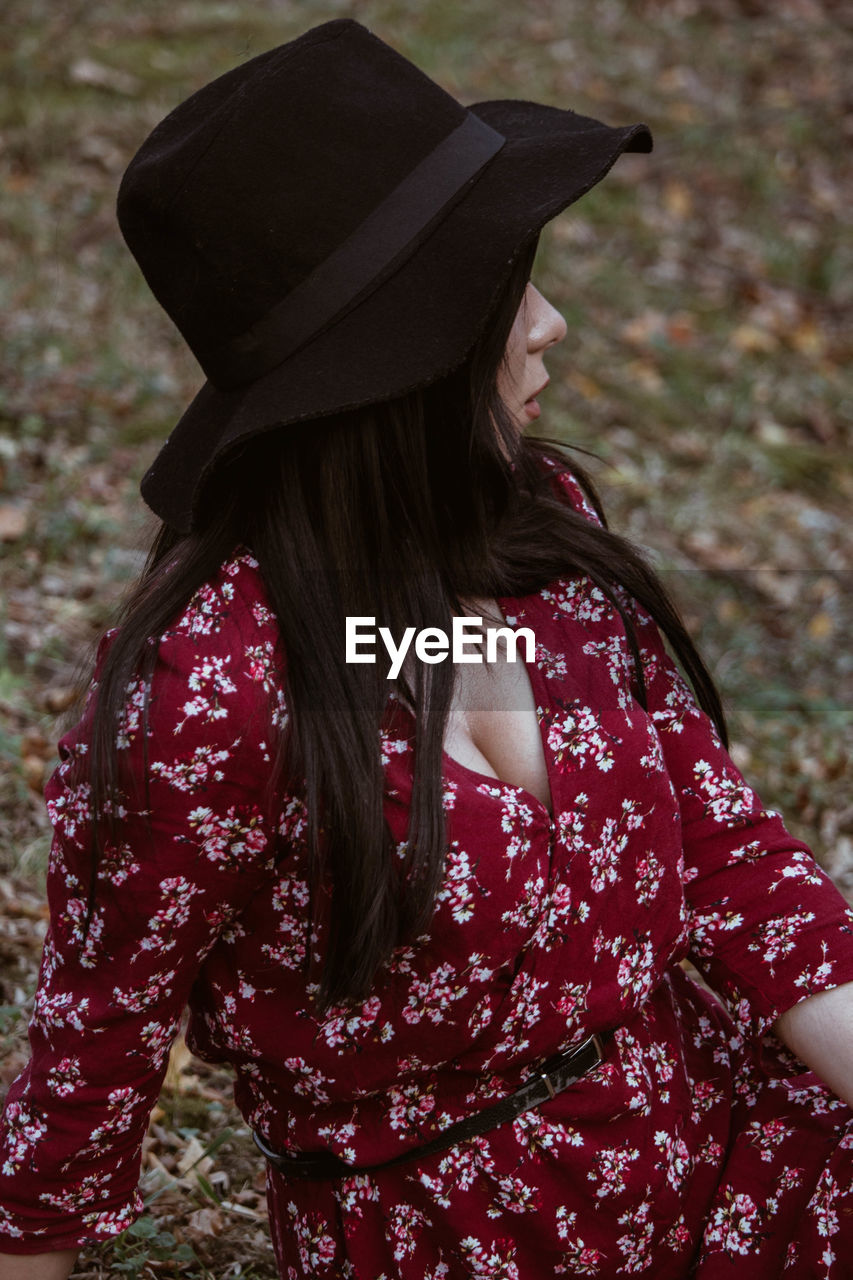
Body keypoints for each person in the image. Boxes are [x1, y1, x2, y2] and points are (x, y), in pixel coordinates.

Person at [1, 18, 852, 1280]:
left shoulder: (539, 527)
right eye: (509, 286)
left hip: (717, 1138)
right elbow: (93, 1064)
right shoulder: (214, 693)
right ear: (398, 356)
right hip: (466, 1240)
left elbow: (720, 839)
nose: (553, 321)